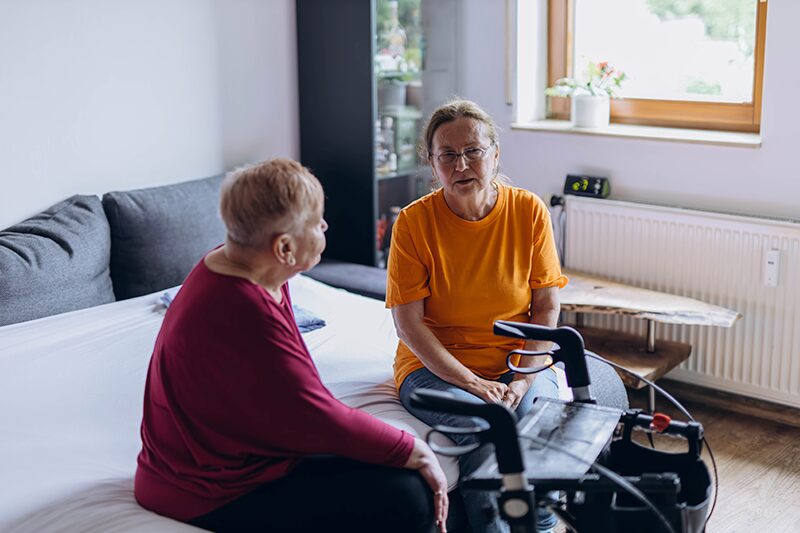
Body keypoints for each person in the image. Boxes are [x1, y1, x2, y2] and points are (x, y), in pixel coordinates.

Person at [134, 159, 449, 533]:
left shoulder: (242, 263)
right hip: (204, 489)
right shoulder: (242, 308)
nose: (325, 227)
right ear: (284, 248)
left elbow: (293, 395)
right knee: (409, 494)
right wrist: (413, 450)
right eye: (316, 223)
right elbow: (314, 413)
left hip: (238, 450)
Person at [387, 100, 568, 533]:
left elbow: (545, 306)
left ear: (495, 154)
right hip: (433, 370)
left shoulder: (528, 211)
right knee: (494, 424)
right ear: (433, 165)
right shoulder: (413, 223)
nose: (462, 163)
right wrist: (475, 384)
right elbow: (409, 325)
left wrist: (522, 378)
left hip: (516, 361)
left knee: (538, 419)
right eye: (447, 155)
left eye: (473, 150)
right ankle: (529, 520)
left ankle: (537, 522)